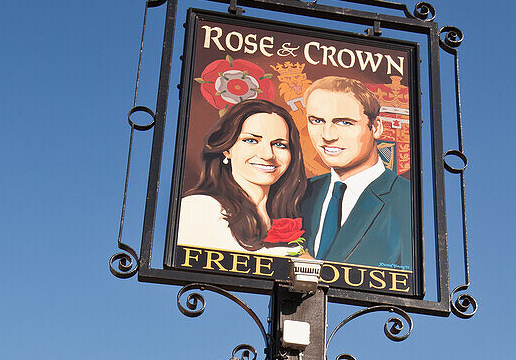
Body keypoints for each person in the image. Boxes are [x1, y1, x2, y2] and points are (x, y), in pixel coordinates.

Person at [301, 77, 412, 270]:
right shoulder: (300, 194)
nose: (328, 135)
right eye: (317, 121)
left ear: (376, 127)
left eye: (344, 122)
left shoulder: (407, 198)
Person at [177, 99, 307, 253]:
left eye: (279, 144)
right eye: (251, 140)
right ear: (227, 149)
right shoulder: (200, 207)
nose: (267, 154)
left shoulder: (296, 215)